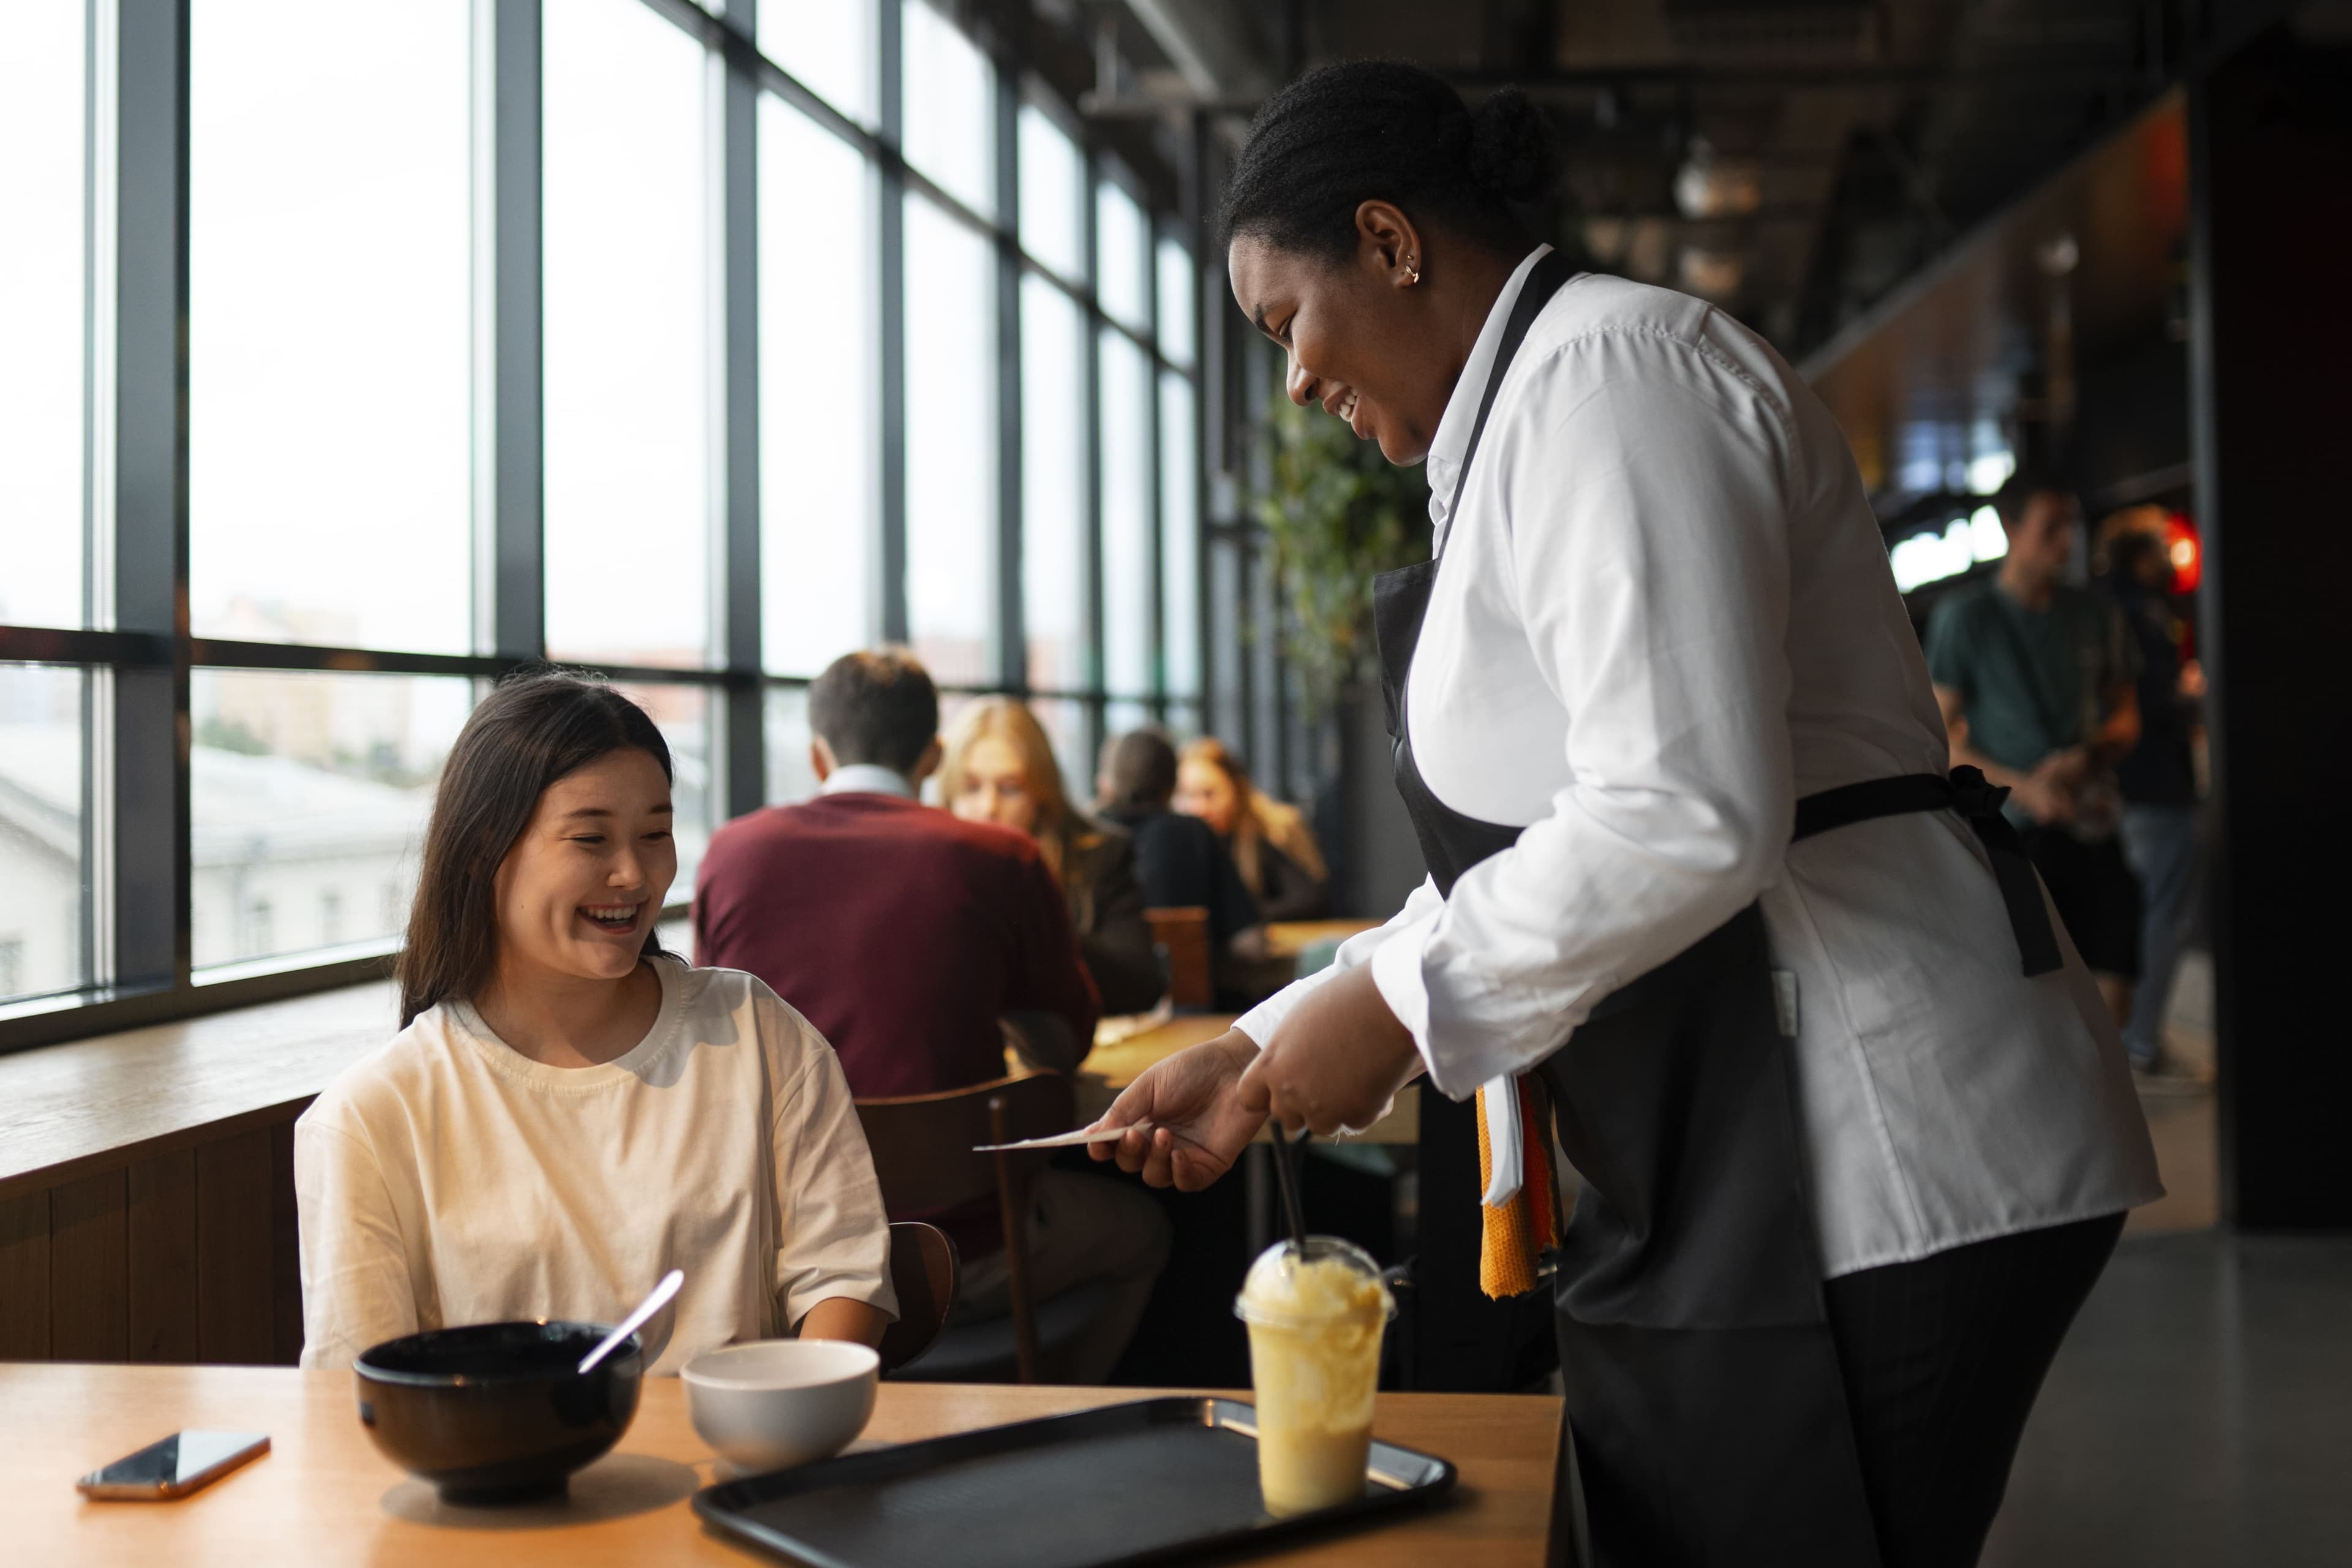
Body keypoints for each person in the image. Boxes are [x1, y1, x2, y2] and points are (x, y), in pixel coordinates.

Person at [1090, 62, 2159, 1568]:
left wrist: (1393, 1003)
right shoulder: (1532, 415)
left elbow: (1683, 809)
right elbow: (1541, 834)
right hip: (1768, 1121)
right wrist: (1274, 1042)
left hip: (1882, 1131)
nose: (1291, 381)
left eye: (1287, 322)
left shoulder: (1608, 381)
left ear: (1390, 241)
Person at [295, 673, 895, 1376]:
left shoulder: (755, 1032)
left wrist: (791, 1410)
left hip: (744, 1463)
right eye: (590, 838)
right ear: (484, 847)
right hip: (506, 1474)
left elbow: (844, 1274)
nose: (633, 875)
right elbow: (358, 1385)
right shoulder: (372, 1116)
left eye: (656, 834)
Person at [696, 651, 1164, 1384]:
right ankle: (1053, 1414)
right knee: (1143, 1234)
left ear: (819, 755)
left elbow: (711, 1046)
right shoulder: (1000, 857)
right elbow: (1065, 1045)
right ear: (934, 754)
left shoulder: (731, 854)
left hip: (783, 1249)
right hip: (970, 1247)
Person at [1926, 476, 2146, 1028]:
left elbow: (2127, 716)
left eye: (2069, 527)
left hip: (2094, 821)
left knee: (2114, 986)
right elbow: (1938, 735)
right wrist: (2025, 787)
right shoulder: (1968, 617)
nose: (2066, 542)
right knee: (2039, 1008)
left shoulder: (2094, 613)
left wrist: (2089, 758)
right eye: (2051, 529)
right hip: (2015, 834)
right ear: (2010, 530)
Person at [940, 696, 1164, 1016]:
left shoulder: (1100, 854)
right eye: (972, 787)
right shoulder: (928, 863)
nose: (989, 807)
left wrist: (1035, 916)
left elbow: (1139, 987)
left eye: (1009, 788)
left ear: (1041, 792)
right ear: (950, 792)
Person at [2104, 521, 2206, 1081]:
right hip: (2160, 787)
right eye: (2162, 550)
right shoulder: (2145, 616)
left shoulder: (2103, 612)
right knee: (2163, 914)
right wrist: (2189, 697)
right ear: (2142, 559)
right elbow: (2156, 704)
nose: (2170, 559)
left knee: (2138, 911)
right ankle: (2140, 1042)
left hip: (2124, 788)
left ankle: (2130, 1039)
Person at [1095, 727, 1267, 968]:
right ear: (1174, 784)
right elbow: (1251, 945)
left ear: (1108, 782)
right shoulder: (1192, 834)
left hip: (1100, 1002)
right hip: (1190, 1002)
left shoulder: (1087, 838)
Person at [1174, 737, 1331, 922]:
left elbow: (1307, 899)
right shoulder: (1182, 841)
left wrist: (1236, 920)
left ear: (1238, 789)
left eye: (1210, 794)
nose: (1198, 808)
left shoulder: (1269, 831)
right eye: (1187, 795)